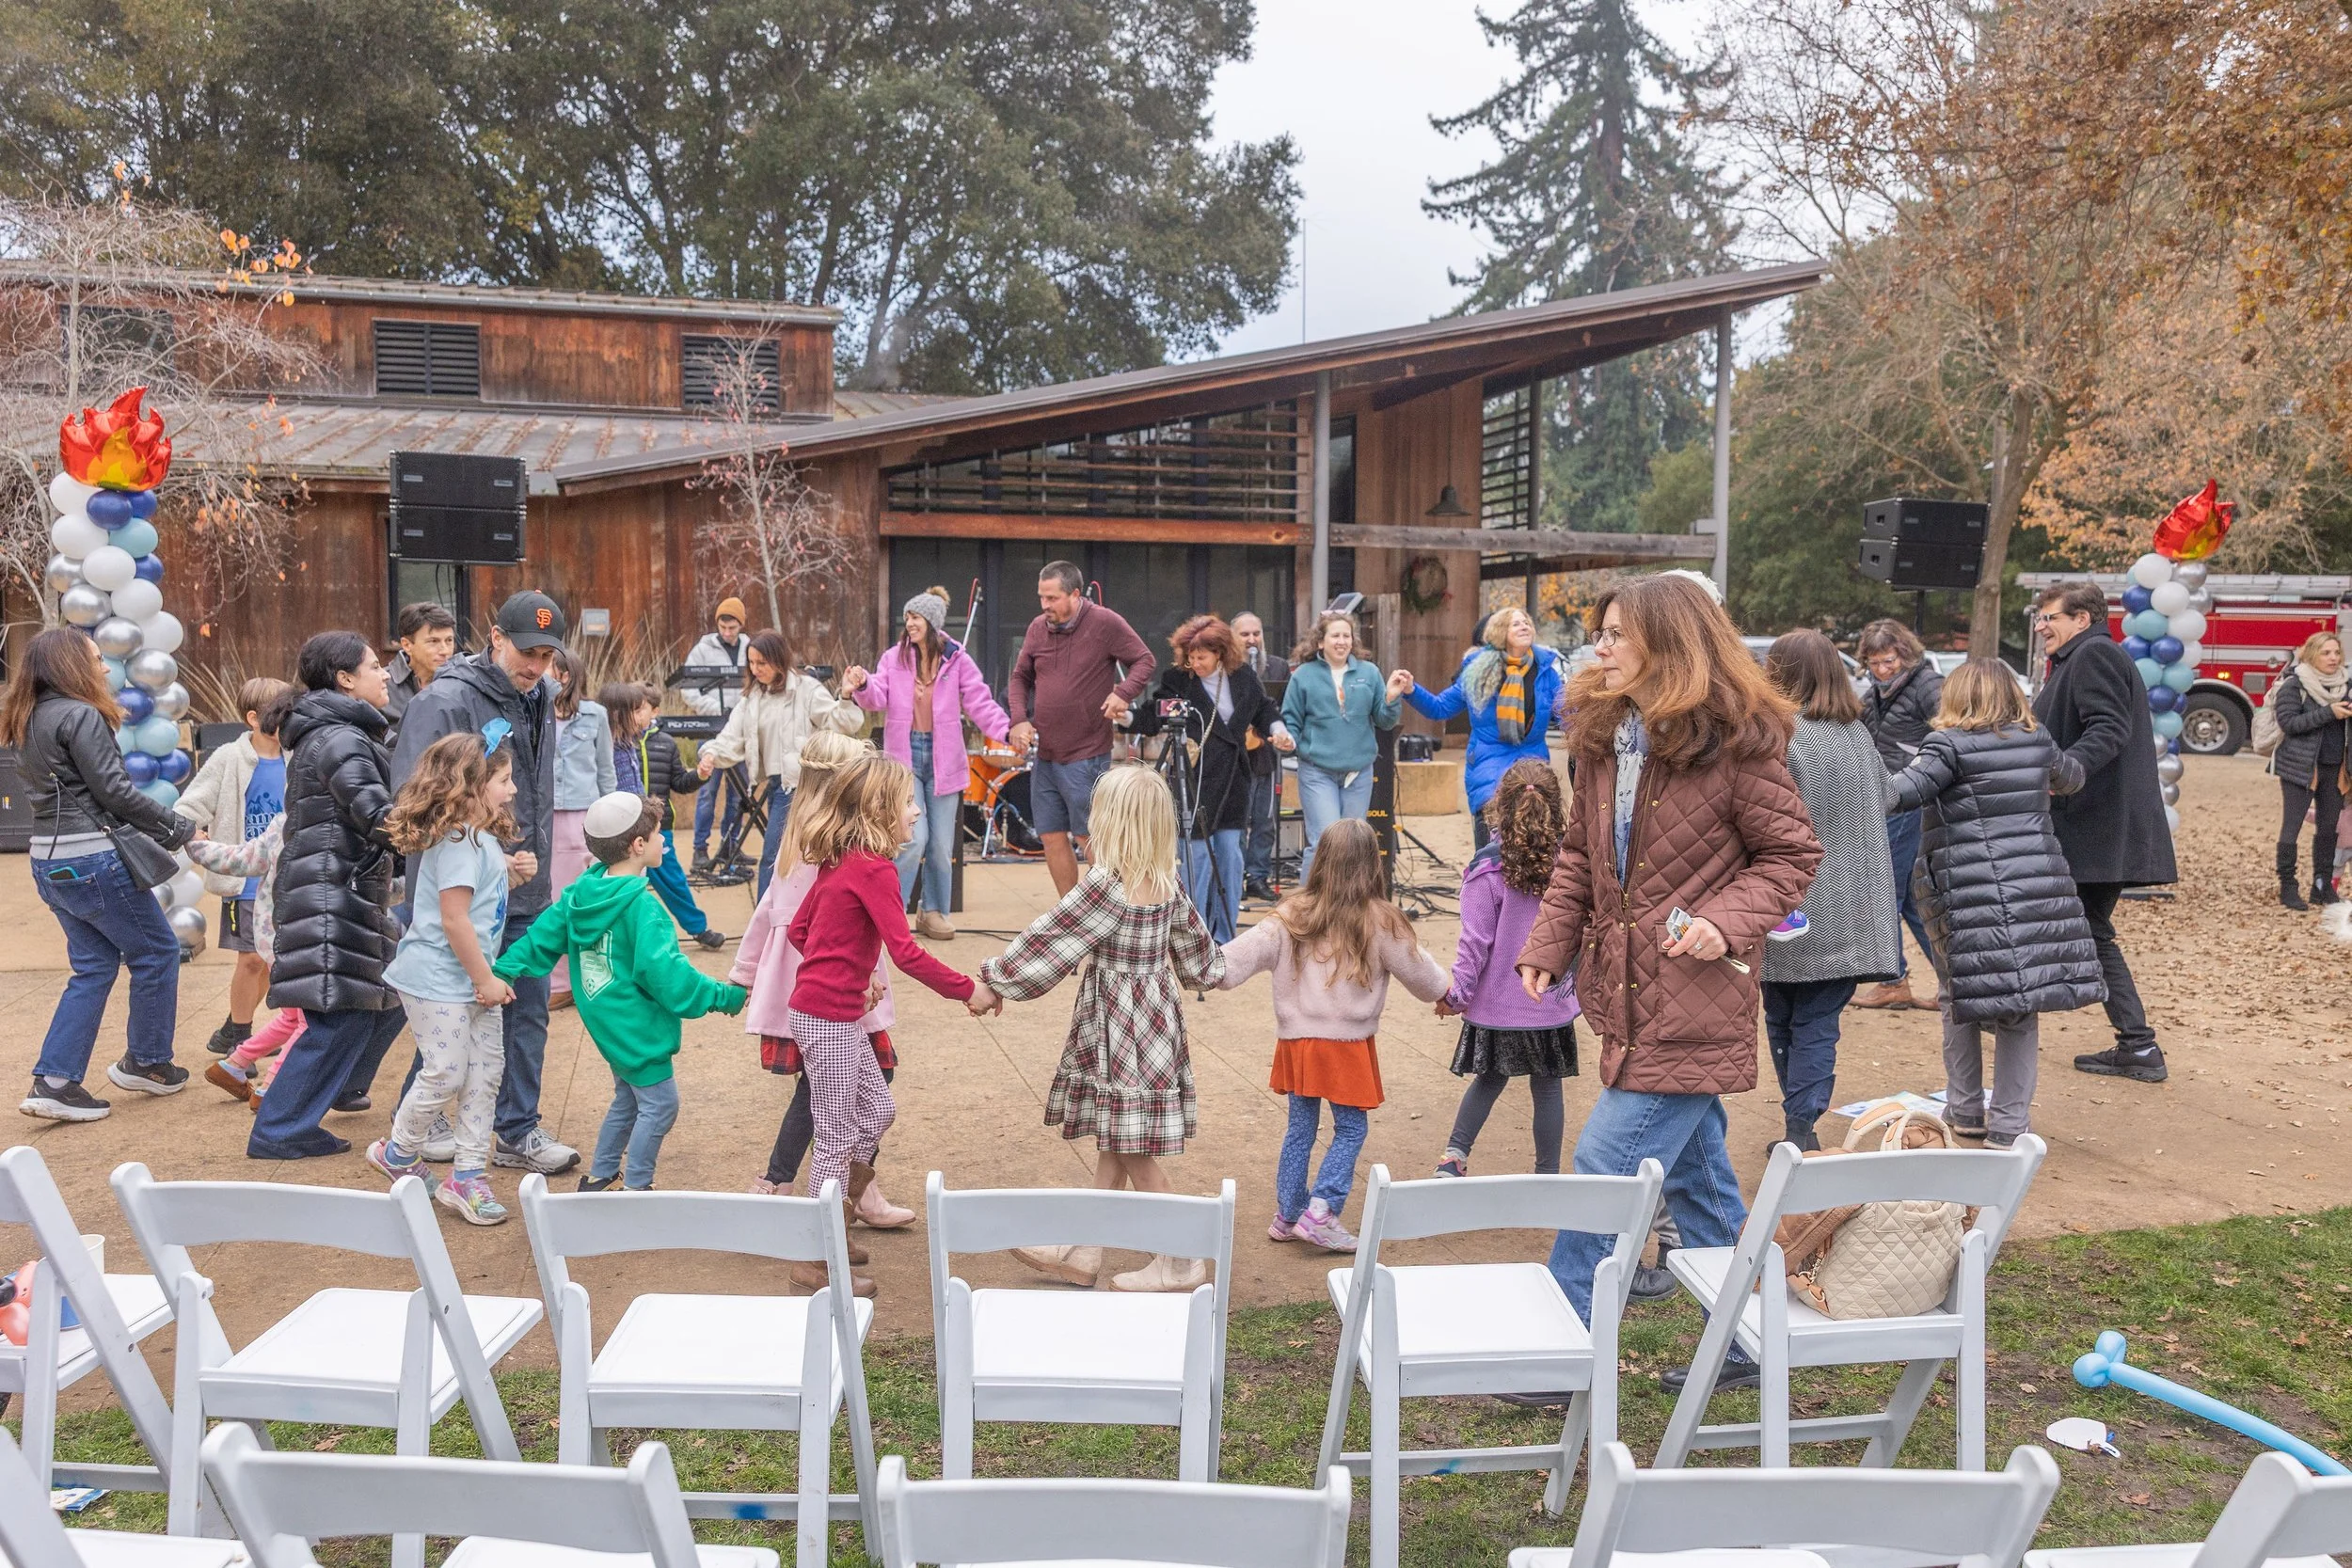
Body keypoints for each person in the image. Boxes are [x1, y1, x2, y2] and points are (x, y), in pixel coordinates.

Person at [1515, 574, 1820, 1393]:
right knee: (1697, 1178)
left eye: (1618, 633)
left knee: (1605, 1163)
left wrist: (1724, 918)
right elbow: (1580, 855)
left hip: (1696, 999)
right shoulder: (1603, 738)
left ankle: (1561, 1346)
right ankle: (1753, 1337)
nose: (1601, 647)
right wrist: (1549, 942)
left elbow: (1792, 855)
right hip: (1626, 994)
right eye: (1601, 632)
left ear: (1670, 643)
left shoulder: (1737, 744)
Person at [975, 765, 1225, 1293]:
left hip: (1116, 1027)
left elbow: (1051, 939)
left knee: (1133, 1148)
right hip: (1156, 1027)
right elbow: (1200, 961)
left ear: (1113, 821)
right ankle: (1083, 1247)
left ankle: (1181, 1258)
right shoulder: (1168, 883)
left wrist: (997, 978)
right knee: (1118, 1135)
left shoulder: (1106, 886)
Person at [390, 590, 570, 1174]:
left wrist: (520, 859)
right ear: (495, 638)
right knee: (454, 1013)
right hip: (462, 892)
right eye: (527, 652)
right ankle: (417, 1125)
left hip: (524, 882)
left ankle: (516, 1129)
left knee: (526, 1009)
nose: (537, 666)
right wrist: (480, 857)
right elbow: (414, 800)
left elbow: (531, 789)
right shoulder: (444, 700)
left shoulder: (541, 694)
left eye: (546, 655)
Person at [1890, 659, 2105, 1148]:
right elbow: (2071, 778)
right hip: (2035, 884)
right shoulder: (2037, 740)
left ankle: (1966, 1107)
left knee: (1957, 996)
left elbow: (1902, 793)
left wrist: (1854, 773)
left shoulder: (1946, 745)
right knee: (2019, 1006)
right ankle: (2009, 1123)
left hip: (1967, 891)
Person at [786, 753, 979, 1292]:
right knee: (834, 1135)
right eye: (908, 802)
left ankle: (838, 1220)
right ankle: (816, 1255)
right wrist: (969, 990)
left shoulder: (842, 861)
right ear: (879, 810)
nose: (916, 812)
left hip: (832, 1014)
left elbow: (801, 931)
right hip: (826, 1019)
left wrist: (859, 972)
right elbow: (907, 953)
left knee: (876, 1111)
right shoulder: (873, 869)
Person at [496, 792, 749, 1194]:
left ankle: (601, 1175)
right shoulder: (644, 909)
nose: (665, 840)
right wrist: (725, 996)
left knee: (629, 1099)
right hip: (637, 1029)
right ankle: (637, 1188)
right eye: (660, 834)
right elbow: (670, 978)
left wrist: (501, 972)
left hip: (606, 1023)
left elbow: (538, 938)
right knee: (661, 1105)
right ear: (638, 845)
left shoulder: (581, 894)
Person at [1218, 818, 1448, 1253]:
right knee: (1351, 1129)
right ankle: (1321, 1210)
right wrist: (1447, 994)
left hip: (1298, 1043)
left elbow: (1233, 961)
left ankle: (1289, 1213)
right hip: (1346, 1045)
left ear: (1320, 859)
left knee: (1299, 1129)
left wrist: (1198, 961)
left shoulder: (1290, 915)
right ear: (1372, 864)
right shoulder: (1382, 920)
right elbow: (1425, 977)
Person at [3, 626, 197, 1122]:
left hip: (47, 860)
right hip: (93, 858)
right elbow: (115, 792)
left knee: (92, 966)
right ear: (71, 666)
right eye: (95, 659)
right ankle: (148, 1063)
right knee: (156, 951)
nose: (105, 667)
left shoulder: (25, 717)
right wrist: (178, 827)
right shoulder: (81, 714)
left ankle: (55, 1081)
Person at [732, 736, 903, 1234]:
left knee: (839, 1087)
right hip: (832, 986)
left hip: (820, 981)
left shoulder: (803, 838)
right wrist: (861, 976)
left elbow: (767, 912)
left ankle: (829, 1186)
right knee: (831, 1091)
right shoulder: (830, 846)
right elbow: (814, 924)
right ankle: (795, 1185)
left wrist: (744, 972)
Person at [249, 631, 407, 1159]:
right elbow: (378, 817)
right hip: (331, 895)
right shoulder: (340, 739)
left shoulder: (335, 734)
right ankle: (279, 1130)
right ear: (344, 679)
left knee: (389, 992)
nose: (384, 674)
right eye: (374, 666)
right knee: (336, 1014)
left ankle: (339, 1087)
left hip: (340, 888)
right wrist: (446, 819)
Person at [368, 734, 522, 1225]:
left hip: (471, 980)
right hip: (439, 980)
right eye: (504, 780)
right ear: (473, 785)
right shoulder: (459, 842)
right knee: (447, 1073)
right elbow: (454, 921)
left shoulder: (480, 838)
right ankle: (397, 1152)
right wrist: (486, 979)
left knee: (485, 1075)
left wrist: (508, 872)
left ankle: (468, 1175)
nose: (513, 790)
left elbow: (473, 901)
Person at [1759, 631, 1902, 1152]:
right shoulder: (1857, 734)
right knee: (1817, 1022)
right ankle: (1800, 1124)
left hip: (1792, 906)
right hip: (1857, 907)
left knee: (1784, 1018)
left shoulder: (1779, 738)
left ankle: (1800, 1127)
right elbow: (1889, 795)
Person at [2030, 580, 2177, 1085]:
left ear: (2082, 619)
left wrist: (2065, 772)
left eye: (2050, 617)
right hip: (2093, 826)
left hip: (2098, 828)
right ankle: (2136, 1044)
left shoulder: (2094, 655)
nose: (2041, 626)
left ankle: (2139, 1045)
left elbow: (2109, 728)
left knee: (2089, 931)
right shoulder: (2080, 658)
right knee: (2083, 929)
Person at [1433, 760, 1580, 1180]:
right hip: (1549, 1002)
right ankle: (1547, 1176)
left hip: (1496, 1005)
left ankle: (1454, 1157)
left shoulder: (1486, 869)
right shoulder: (1572, 867)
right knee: (1548, 1088)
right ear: (1556, 805)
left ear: (1501, 805)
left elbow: (1473, 943)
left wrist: (1456, 996)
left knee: (1488, 1079)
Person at [841, 587, 1010, 940]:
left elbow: (980, 703)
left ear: (932, 622)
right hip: (904, 759)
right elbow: (877, 697)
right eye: (907, 617)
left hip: (944, 760)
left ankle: (933, 912)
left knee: (940, 847)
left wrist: (1007, 731)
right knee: (912, 839)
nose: (909, 623)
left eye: (915, 617)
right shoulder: (894, 658)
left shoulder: (957, 659)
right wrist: (863, 683)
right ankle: (891, 914)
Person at [1130, 614, 1290, 943]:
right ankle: (1193, 935)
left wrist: (1278, 730)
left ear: (1220, 653)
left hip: (1233, 780)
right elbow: (1154, 713)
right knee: (1197, 860)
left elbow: (1264, 708)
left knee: (1231, 858)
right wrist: (1127, 717)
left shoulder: (1243, 676)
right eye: (1190, 656)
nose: (1195, 663)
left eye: (1202, 656)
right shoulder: (1178, 679)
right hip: (1194, 779)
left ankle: (1225, 935)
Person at [1006, 561, 1157, 897]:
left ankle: (1107, 909)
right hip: (1046, 754)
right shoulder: (1037, 628)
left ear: (1075, 594)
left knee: (1088, 836)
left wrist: (1123, 693)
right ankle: (1069, 911)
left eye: (1052, 598)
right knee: (1050, 834)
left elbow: (1144, 660)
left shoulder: (1104, 622)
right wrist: (1018, 718)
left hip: (1086, 753)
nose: (1044, 605)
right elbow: (1020, 677)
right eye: (1041, 597)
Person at [695, 629, 865, 899]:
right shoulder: (752, 698)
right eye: (751, 663)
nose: (755, 669)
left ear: (779, 659)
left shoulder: (806, 689)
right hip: (778, 786)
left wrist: (845, 696)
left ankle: (770, 918)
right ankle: (785, 916)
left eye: (762, 662)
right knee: (788, 858)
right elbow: (731, 737)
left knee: (776, 856)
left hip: (803, 785)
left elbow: (839, 722)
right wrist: (710, 755)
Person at [178, 675, 294, 1058]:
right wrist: (192, 833)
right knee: (251, 960)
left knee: (271, 961)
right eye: (280, 712)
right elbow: (189, 806)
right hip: (245, 879)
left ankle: (232, 1027)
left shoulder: (299, 756)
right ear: (253, 718)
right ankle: (241, 1039)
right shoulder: (229, 758)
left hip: (288, 879)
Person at [1405, 607, 1566, 849]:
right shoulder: (1478, 671)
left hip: (1532, 766)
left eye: (1526, 622)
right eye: (1515, 623)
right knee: (1492, 854)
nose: (1524, 626)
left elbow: (1568, 716)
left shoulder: (1546, 673)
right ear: (1500, 632)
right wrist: (1411, 690)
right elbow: (1440, 708)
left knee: (1536, 848)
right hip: (1489, 767)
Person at [1280, 610, 1411, 883]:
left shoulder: (1369, 672)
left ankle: (1350, 906)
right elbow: (1291, 721)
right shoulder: (1303, 675)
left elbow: (1385, 721)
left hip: (1358, 773)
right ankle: (1309, 906)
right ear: (1320, 642)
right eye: (1335, 636)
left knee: (1353, 845)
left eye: (1346, 636)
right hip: (1317, 771)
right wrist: (1286, 739)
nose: (1341, 641)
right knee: (1324, 842)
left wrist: (1391, 698)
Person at [1854, 620, 1944, 1009]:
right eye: (1874, 663)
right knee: (1912, 899)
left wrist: (1924, 764)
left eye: (1888, 661)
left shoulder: (1927, 686)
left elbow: (1950, 729)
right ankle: (1953, 981)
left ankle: (1893, 980)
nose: (1882, 670)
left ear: (1905, 654)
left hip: (1909, 799)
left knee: (1884, 890)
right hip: (1892, 798)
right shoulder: (1877, 693)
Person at [604, 683, 724, 947]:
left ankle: (698, 928)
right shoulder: (617, 742)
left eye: (641, 709)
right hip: (625, 829)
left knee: (673, 880)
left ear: (655, 711)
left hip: (659, 828)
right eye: (633, 710)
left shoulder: (666, 743)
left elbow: (679, 782)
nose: (637, 715)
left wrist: (699, 775)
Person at [548, 648, 616, 1001]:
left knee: (589, 900)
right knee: (553, 901)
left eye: (550, 668)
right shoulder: (534, 712)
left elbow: (606, 770)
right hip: (546, 816)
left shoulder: (595, 714)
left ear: (566, 675)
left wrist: (613, 821)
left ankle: (592, 981)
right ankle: (560, 983)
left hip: (584, 817)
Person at [2267, 631, 2352, 910]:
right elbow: (2289, 723)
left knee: (2329, 829)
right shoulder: (2295, 684)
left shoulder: (2346, 685)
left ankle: (2322, 886)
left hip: (2336, 769)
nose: (2333, 658)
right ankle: (2288, 886)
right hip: (2300, 767)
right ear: (2312, 654)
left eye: (2337, 653)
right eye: (2326, 653)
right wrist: (2329, 712)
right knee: (2291, 827)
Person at [684, 596, 752, 873]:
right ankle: (700, 850)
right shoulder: (703, 649)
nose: (727, 633)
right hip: (712, 729)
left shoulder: (750, 648)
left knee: (739, 795)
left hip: (741, 733)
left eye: (732, 628)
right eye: (722, 627)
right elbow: (688, 689)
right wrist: (716, 708)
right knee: (707, 793)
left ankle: (731, 846)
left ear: (741, 625)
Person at [1232, 611, 1289, 901]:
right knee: (1237, 821)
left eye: (1257, 633)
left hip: (1266, 754)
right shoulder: (1225, 668)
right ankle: (1236, 877)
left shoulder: (1278, 667)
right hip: (1236, 758)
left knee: (1265, 821)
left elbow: (1284, 708)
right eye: (1245, 634)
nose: (1252, 639)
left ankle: (1257, 876)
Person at [384, 601, 458, 733]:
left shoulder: (464, 683)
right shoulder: (382, 686)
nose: (445, 650)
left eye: (449, 640)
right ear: (407, 645)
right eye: (433, 641)